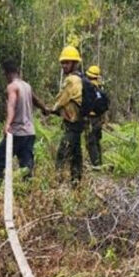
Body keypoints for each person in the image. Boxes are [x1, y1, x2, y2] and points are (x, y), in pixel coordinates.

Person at [0, 61, 49, 186]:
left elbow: (11, 105)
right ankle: (27, 191)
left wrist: (7, 124)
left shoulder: (12, 87)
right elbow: (35, 99)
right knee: (26, 165)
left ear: (6, 73)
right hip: (29, 133)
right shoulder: (26, 86)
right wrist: (45, 109)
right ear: (18, 72)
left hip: (17, 132)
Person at [51, 46, 84, 182]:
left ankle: (57, 184)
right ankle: (76, 185)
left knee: (62, 155)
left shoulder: (71, 80)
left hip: (72, 124)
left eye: (67, 63)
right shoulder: (82, 78)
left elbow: (60, 100)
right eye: (62, 63)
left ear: (75, 63)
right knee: (76, 156)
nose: (64, 66)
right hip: (79, 124)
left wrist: (50, 109)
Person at [84, 65, 105, 167]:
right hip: (98, 119)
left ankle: (96, 165)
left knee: (91, 142)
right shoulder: (100, 89)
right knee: (97, 142)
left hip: (90, 119)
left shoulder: (88, 88)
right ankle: (99, 163)